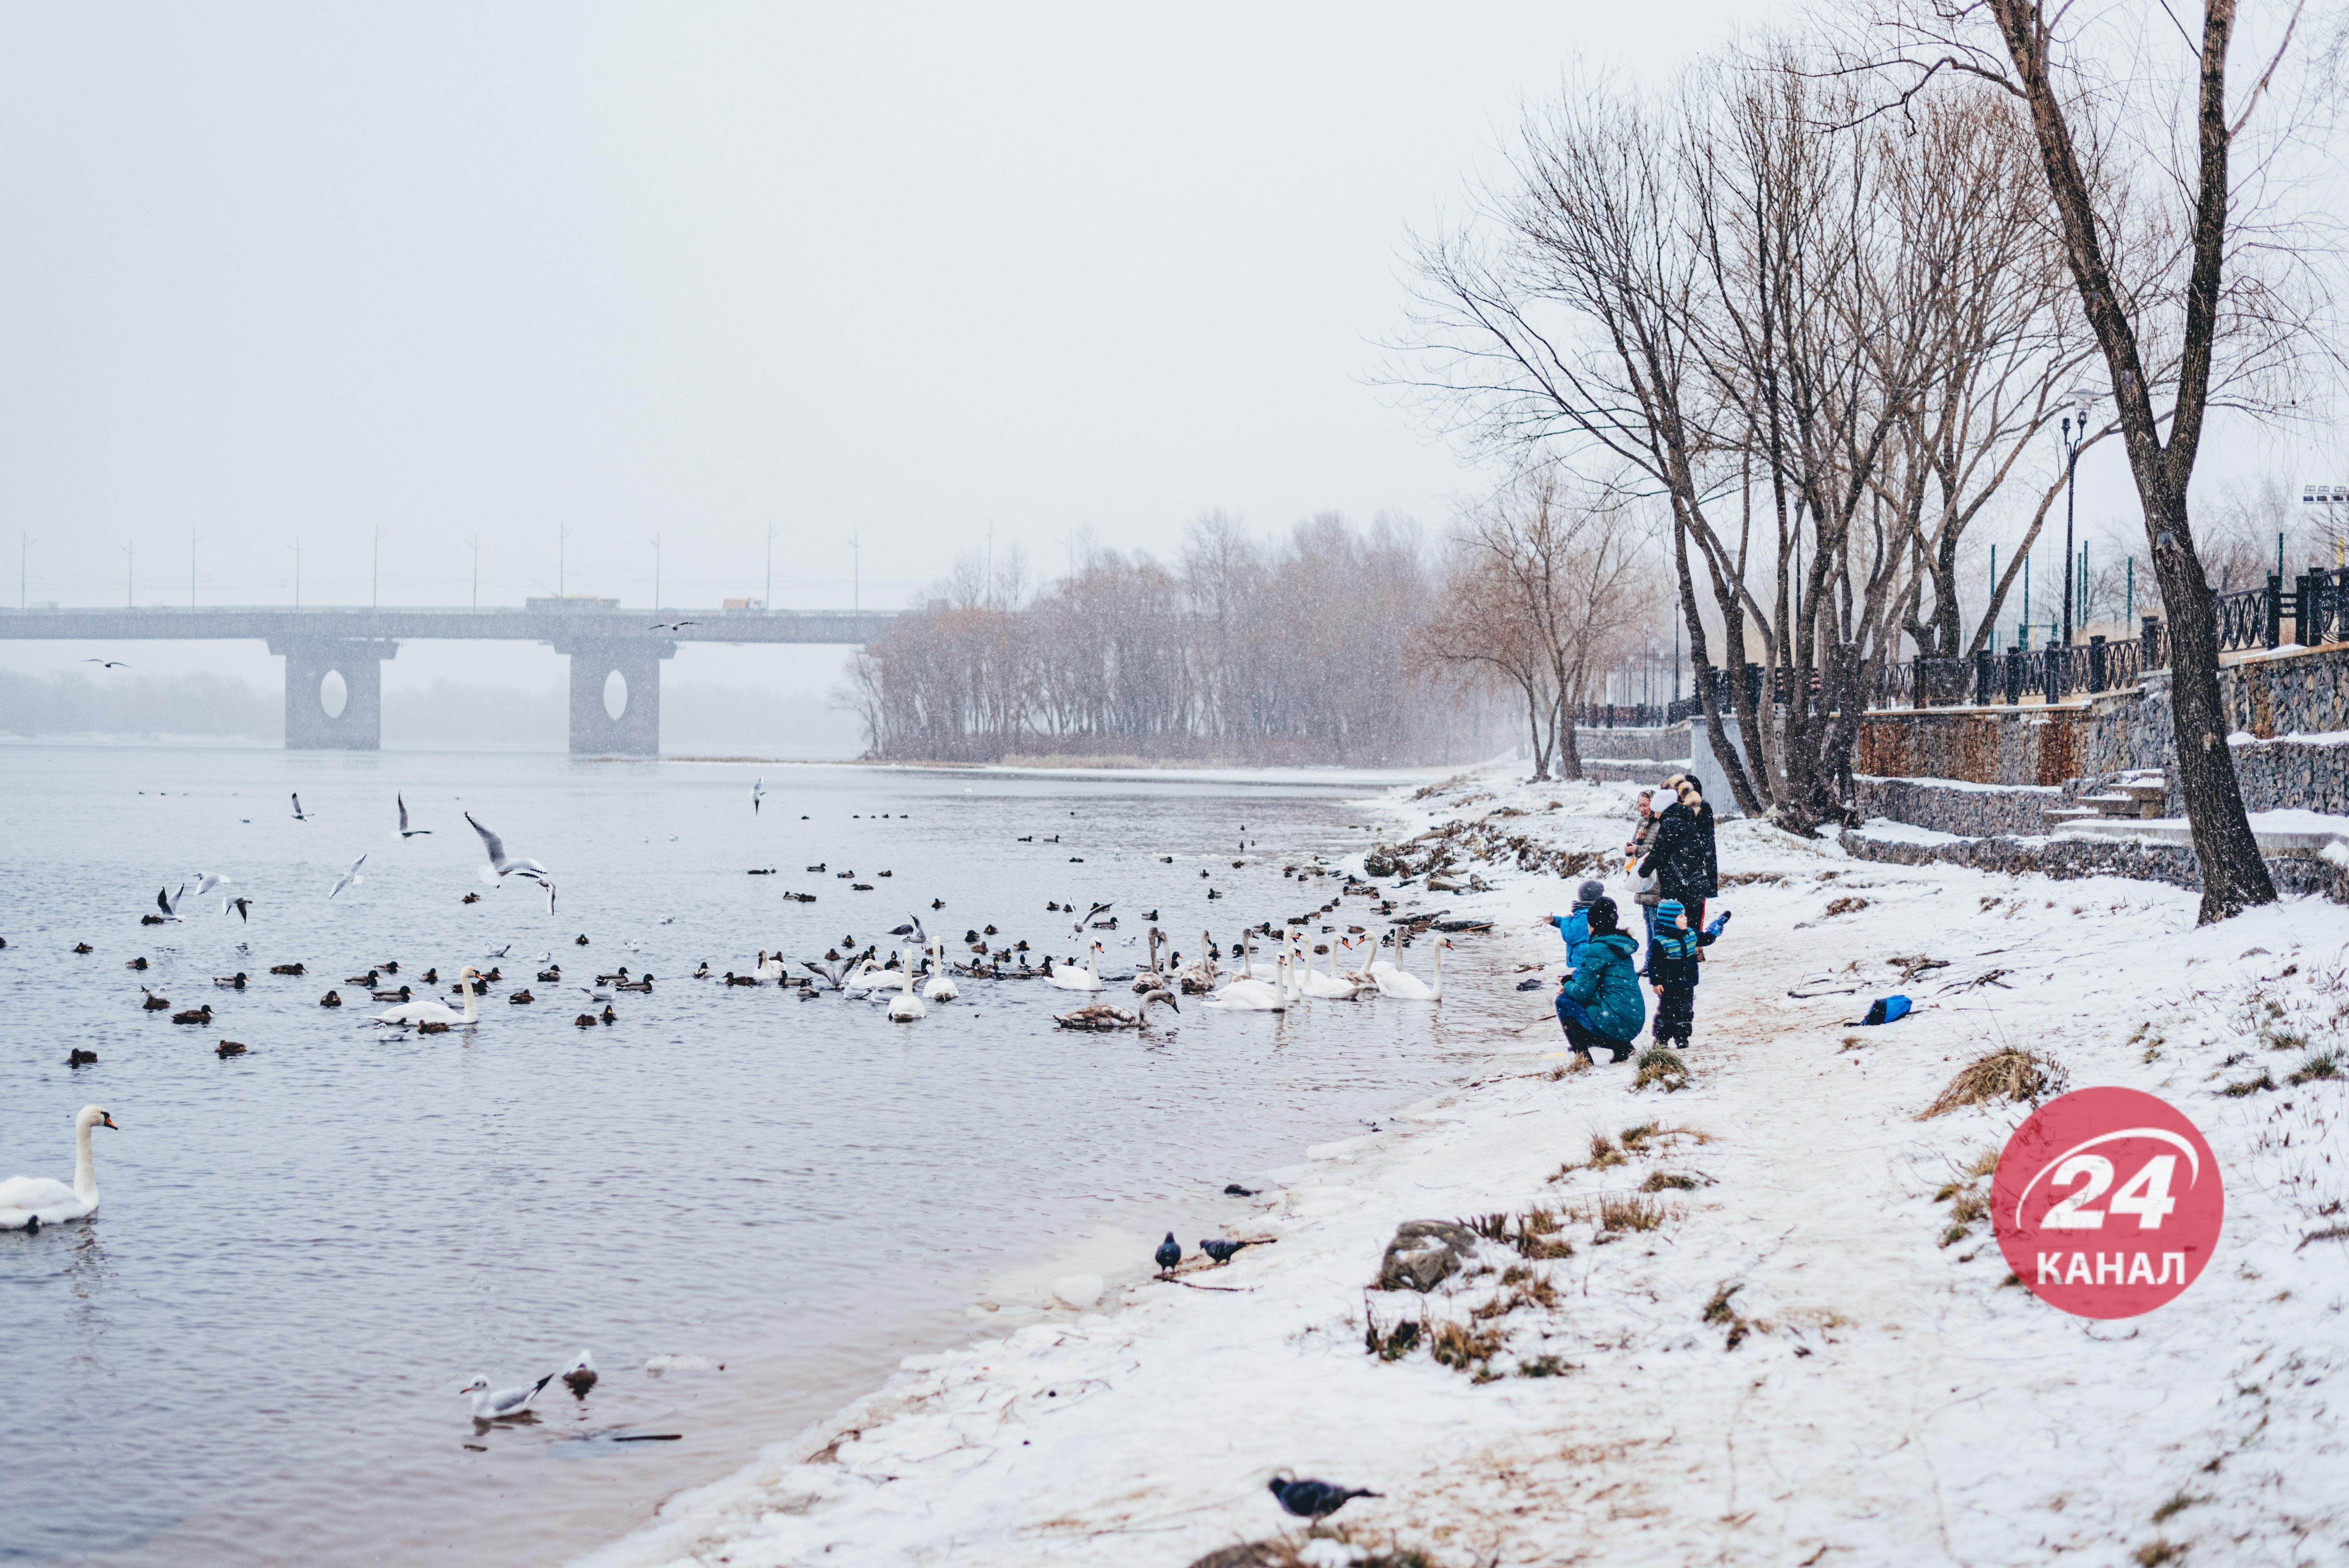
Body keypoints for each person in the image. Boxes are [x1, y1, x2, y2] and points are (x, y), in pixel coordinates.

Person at [1555, 896, 1645, 1062]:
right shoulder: (1620, 945)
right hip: (1634, 1020)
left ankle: (1584, 1059)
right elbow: (1605, 984)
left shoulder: (1596, 949)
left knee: (1563, 1001)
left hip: (1617, 1021)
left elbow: (1583, 993)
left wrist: (1567, 982)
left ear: (1592, 925)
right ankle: (1622, 1048)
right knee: (1581, 1001)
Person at [1639, 779, 1719, 936]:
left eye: (1657, 811)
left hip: (1677, 884)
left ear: (1663, 809)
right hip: (1693, 883)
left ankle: (1679, 955)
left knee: (1675, 927)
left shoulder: (1670, 823)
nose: (1655, 815)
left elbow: (1659, 854)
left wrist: (1643, 871)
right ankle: (1691, 953)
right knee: (1690, 927)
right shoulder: (1687, 819)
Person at [1645, 897, 1725, 1047]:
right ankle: (1661, 1039)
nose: (1685, 919)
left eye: (1684, 915)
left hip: (1687, 983)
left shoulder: (1691, 935)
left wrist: (1715, 930)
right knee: (1666, 1012)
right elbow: (1654, 964)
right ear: (1670, 920)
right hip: (1668, 986)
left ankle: (1682, 1038)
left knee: (1686, 1012)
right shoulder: (1661, 942)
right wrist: (1656, 982)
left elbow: (1706, 939)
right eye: (1681, 917)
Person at [1624, 790, 1663, 961]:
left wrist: (1638, 850)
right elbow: (1637, 846)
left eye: (1646, 805)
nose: (1643, 809)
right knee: (1648, 923)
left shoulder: (1660, 824)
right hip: (1643, 880)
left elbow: (1659, 850)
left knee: (1656, 925)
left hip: (1655, 880)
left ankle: (1656, 962)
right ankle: (1650, 961)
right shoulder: (1642, 823)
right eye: (1640, 805)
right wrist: (1629, 849)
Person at [1545, 879, 1607, 971]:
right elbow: (1577, 927)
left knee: (1577, 983)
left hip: (1580, 961)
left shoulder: (1584, 914)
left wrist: (1565, 919)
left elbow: (1570, 936)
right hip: (1587, 959)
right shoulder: (1595, 911)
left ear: (1583, 896)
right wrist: (1555, 920)